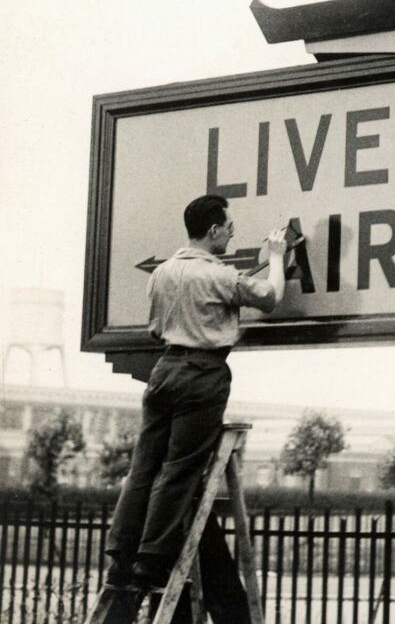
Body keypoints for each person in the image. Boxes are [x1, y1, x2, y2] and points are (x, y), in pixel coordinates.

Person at [104, 194, 288, 591]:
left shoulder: (161, 274)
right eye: (228, 226)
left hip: (164, 369)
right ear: (213, 230)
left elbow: (155, 327)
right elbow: (271, 298)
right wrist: (276, 257)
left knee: (144, 466)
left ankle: (119, 556)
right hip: (203, 373)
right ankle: (151, 562)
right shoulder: (220, 276)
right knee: (180, 470)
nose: (233, 231)